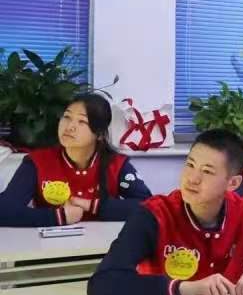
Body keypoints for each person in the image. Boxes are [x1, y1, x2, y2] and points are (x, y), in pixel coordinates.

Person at [86, 129, 243, 295]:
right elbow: (102, 283)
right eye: (190, 165)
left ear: (233, 183)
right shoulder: (154, 214)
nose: (192, 178)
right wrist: (183, 288)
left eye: (207, 171)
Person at [0, 94, 151, 227]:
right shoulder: (37, 162)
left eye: (82, 122)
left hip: (106, 246)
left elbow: (149, 206)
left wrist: (93, 205)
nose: (70, 127)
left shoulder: (116, 164)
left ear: (99, 134)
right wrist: (58, 216)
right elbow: (5, 210)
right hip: (50, 247)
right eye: (67, 117)